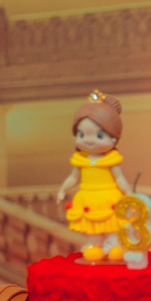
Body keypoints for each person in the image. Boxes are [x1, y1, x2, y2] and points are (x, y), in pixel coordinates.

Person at [56, 91, 132, 262]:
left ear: (114, 137)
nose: (89, 140)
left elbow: (119, 178)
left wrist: (128, 193)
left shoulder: (111, 159)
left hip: (109, 197)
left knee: (111, 224)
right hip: (88, 198)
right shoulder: (81, 160)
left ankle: (114, 245)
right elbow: (73, 178)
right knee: (93, 227)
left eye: (99, 135)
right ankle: (95, 246)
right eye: (82, 135)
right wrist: (62, 190)